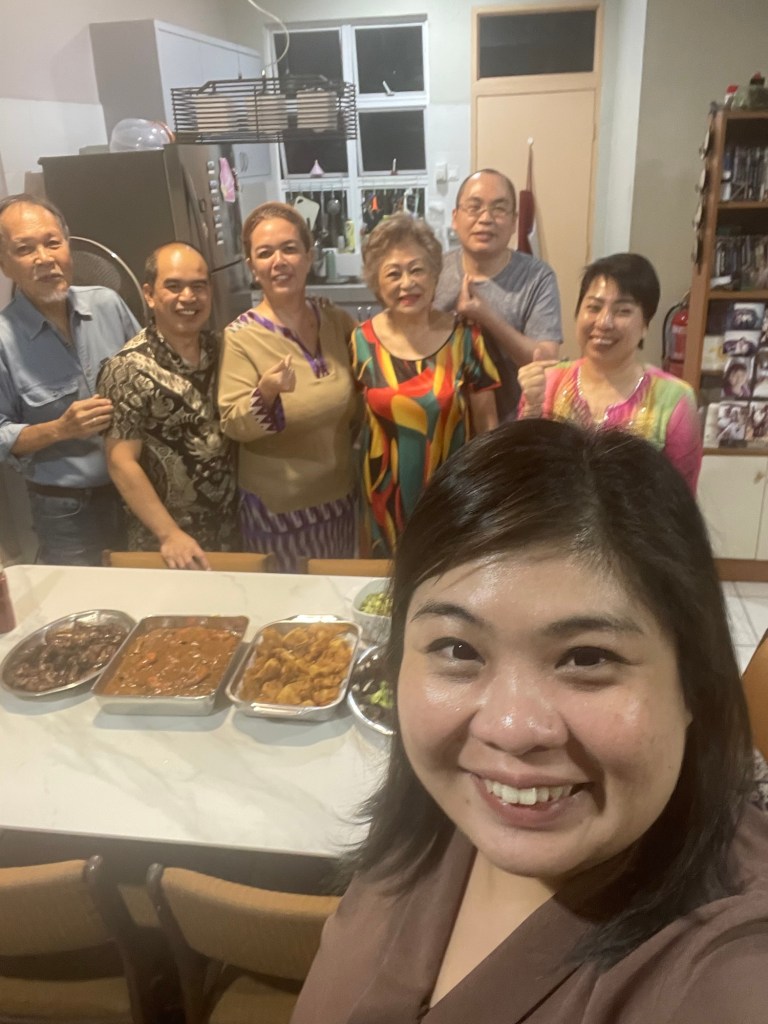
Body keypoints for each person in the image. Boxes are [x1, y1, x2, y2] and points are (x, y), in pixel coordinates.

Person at [291, 419, 768, 1024]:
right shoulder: (435, 814)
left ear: (694, 681)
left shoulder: (726, 964)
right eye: (458, 649)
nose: (512, 729)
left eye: (587, 658)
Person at [218, 202, 360, 572]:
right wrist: (264, 393)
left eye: (290, 249)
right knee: (291, 602)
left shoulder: (336, 321)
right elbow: (232, 421)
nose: (278, 261)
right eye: (265, 253)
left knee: (337, 595)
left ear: (309, 257)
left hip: (340, 500)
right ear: (252, 266)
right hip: (278, 513)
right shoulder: (240, 336)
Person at [0, 193, 139, 564]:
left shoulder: (107, 304)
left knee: (152, 590)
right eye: (24, 249)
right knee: (83, 599)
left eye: (52, 243)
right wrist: (60, 429)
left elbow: (148, 378)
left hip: (139, 490)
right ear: (4, 264)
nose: (44, 258)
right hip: (67, 511)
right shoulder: (3, 340)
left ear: (68, 246)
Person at [352, 214, 500, 558]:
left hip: (450, 495)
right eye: (393, 273)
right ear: (376, 282)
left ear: (434, 275)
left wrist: (488, 495)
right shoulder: (360, 340)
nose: (407, 283)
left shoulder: (466, 337)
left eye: (417, 270)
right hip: (382, 500)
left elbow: (488, 426)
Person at [97, 243, 237, 569]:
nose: (188, 297)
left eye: (198, 286)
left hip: (232, 530)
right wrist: (169, 534)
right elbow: (120, 462)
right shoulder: (126, 369)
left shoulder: (223, 349)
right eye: (173, 286)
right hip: (167, 544)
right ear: (149, 294)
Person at [518, 253, 702, 490]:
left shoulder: (674, 400)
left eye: (623, 311)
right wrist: (532, 408)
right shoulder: (547, 383)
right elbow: (523, 476)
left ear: (645, 325)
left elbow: (681, 496)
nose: (604, 322)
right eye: (594, 307)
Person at [433, 168, 562, 420]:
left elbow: (545, 361)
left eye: (499, 209)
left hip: (512, 426)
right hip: (442, 425)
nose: (486, 218)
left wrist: (487, 317)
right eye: (474, 207)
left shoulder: (537, 277)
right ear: (455, 218)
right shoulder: (433, 271)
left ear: (514, 222)